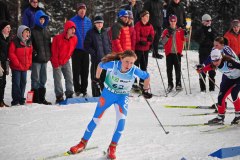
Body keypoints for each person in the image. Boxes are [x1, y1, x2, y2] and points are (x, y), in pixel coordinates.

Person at [69, 50, 152, 160]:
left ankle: (112, 147)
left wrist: (145, 90)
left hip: (122, 98)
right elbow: (100, 65)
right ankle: (82, 143)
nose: (129, 65)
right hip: (108, 95)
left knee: (121, 122)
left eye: (132, 63)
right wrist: (97, 78)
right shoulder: (113, 65)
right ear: (121, 59)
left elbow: (147, 76)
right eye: (127, 62)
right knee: (96, 119)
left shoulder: (134, 70)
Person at [196, 48, 240, 125]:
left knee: (234, 93)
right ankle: (220, 118)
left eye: (217, 60)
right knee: (221, 97)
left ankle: (238, 115)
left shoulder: (230, 62)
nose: (215, 62)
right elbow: (210, 66)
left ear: (221, 57)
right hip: (230, 79)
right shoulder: (214, 63)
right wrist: (202, 69)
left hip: (238, 78)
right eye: (213, 61)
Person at [84, 15, 111, 97]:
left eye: (101, 23)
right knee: (95, 78)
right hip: (96, 60)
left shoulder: (105, 32)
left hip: (106, 60)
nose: (99, 24)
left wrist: (110, 53)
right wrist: (94, 53)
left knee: (104, 78)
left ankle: (104, 94)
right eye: (98, 23)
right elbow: (86, 46)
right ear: (95, 24)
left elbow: (109, 44)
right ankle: (96, 94)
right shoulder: (90, 33)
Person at [50, 21, 77, 103]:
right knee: (57, 79)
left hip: (66, 61)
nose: (73, 31)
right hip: (57, 61)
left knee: (69, 78)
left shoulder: (74, 39)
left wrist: (68, 57)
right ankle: (59, 96)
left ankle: (69, 94)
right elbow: (54, 52)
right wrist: (56, 63)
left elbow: (72, 50)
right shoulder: (57, 38)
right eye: (71, 29)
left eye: (74, 29)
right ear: (66, 29)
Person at [70, 3, 92, 97]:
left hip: (86, 50)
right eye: (80, 9)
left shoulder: (88, 21)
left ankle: (84, 89)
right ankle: (77, 89)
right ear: (77, 10)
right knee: (76, 70)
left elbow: (91, 34)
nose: (82, 11)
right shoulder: (72, 21)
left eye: (84, 9)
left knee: (85, 70)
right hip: (76, 50)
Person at [30, 10, 51, 105]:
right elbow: (29, 45)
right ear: (36, 19)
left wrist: (49, 54)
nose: (42, 21)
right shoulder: (32, 31)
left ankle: (42, 98)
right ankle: (35, 99)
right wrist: (34, 52)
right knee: (35, 79)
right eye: (40, 19)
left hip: (44, 59)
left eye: (43, 19)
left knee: (43, 79)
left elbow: (48, 45)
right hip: (36, 60)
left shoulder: (46, 31)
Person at [8, 25, 32, 106]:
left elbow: (30, 54)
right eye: (26, 32)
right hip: (16, 67)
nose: (27, 34)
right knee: (16, 83)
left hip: (24, 67)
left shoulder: (29, 42)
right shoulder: (14, 41)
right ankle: (15, 100)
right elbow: (11, 53)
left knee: (23, 82)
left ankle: (21, 98)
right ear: (21, 33)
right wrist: (18, 64)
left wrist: (28, 64)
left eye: (28, 32)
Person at [192, 14, 217, 92]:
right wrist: (202, 39)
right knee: (202, 69)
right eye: (207, 21)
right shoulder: (200, 30)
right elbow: (195, 37)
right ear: (203, 22)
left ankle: (212, 88)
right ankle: (202, 88)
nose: (209, 22)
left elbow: (217, 38)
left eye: (210, 21)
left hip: (212, 52)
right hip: (203, 52)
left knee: (212, 70)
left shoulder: (212, 29)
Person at [133, 10, 154, 89]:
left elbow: (151, 37)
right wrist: (143, 40)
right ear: (142, 17)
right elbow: (137, 37)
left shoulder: (150, 26)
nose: (146, 18)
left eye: (148, 17)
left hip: (145, 49)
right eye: (145, 16)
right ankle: (134, 81)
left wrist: (147, 42)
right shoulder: (138, 25)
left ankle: (142, 80)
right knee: (136, 64)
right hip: (138, 48)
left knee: (144, 65)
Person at [0, 21, 11, 107]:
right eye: (7, 27)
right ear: (2, 28)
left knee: (3, 82)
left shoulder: (6, 38)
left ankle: (1, 101)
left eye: (9, 28)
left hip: (4, 63)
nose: (9, 29)